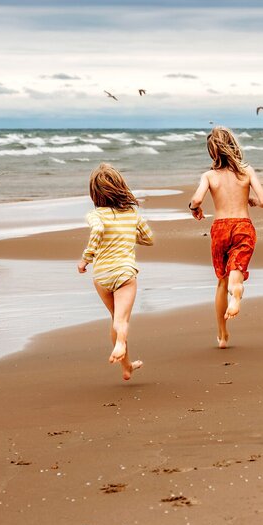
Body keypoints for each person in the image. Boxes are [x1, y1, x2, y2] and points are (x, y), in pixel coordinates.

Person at [187, 126, 263, 348]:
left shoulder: (209, 176)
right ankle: (238, 293)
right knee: (237, 270)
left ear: (212, 153)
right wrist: (249, 201)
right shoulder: (247, 171)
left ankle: (223, 335)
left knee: (221, 280)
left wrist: (194, 208)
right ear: (233, 145)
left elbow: (196, 200)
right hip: (243, 225)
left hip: (220, 228)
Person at [77, 163, 154, 380]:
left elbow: (99, 229)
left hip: (101, 276)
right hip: (124, 275)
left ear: (94, 192)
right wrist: (86, 256)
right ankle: (120, 344)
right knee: (122, 320)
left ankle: (126, 367)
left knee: (115, 318)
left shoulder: (94, 214)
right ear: (120, 186)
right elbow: (148, 238)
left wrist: (86, 261)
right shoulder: (132, 213)